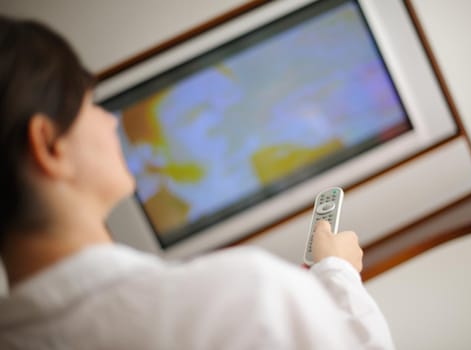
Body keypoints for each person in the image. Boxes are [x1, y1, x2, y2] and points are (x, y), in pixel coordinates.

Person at [0, 16, 395, 349]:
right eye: (90, 105)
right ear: (48, 146)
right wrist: (338, 275)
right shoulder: (244, 297)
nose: (112, 122)